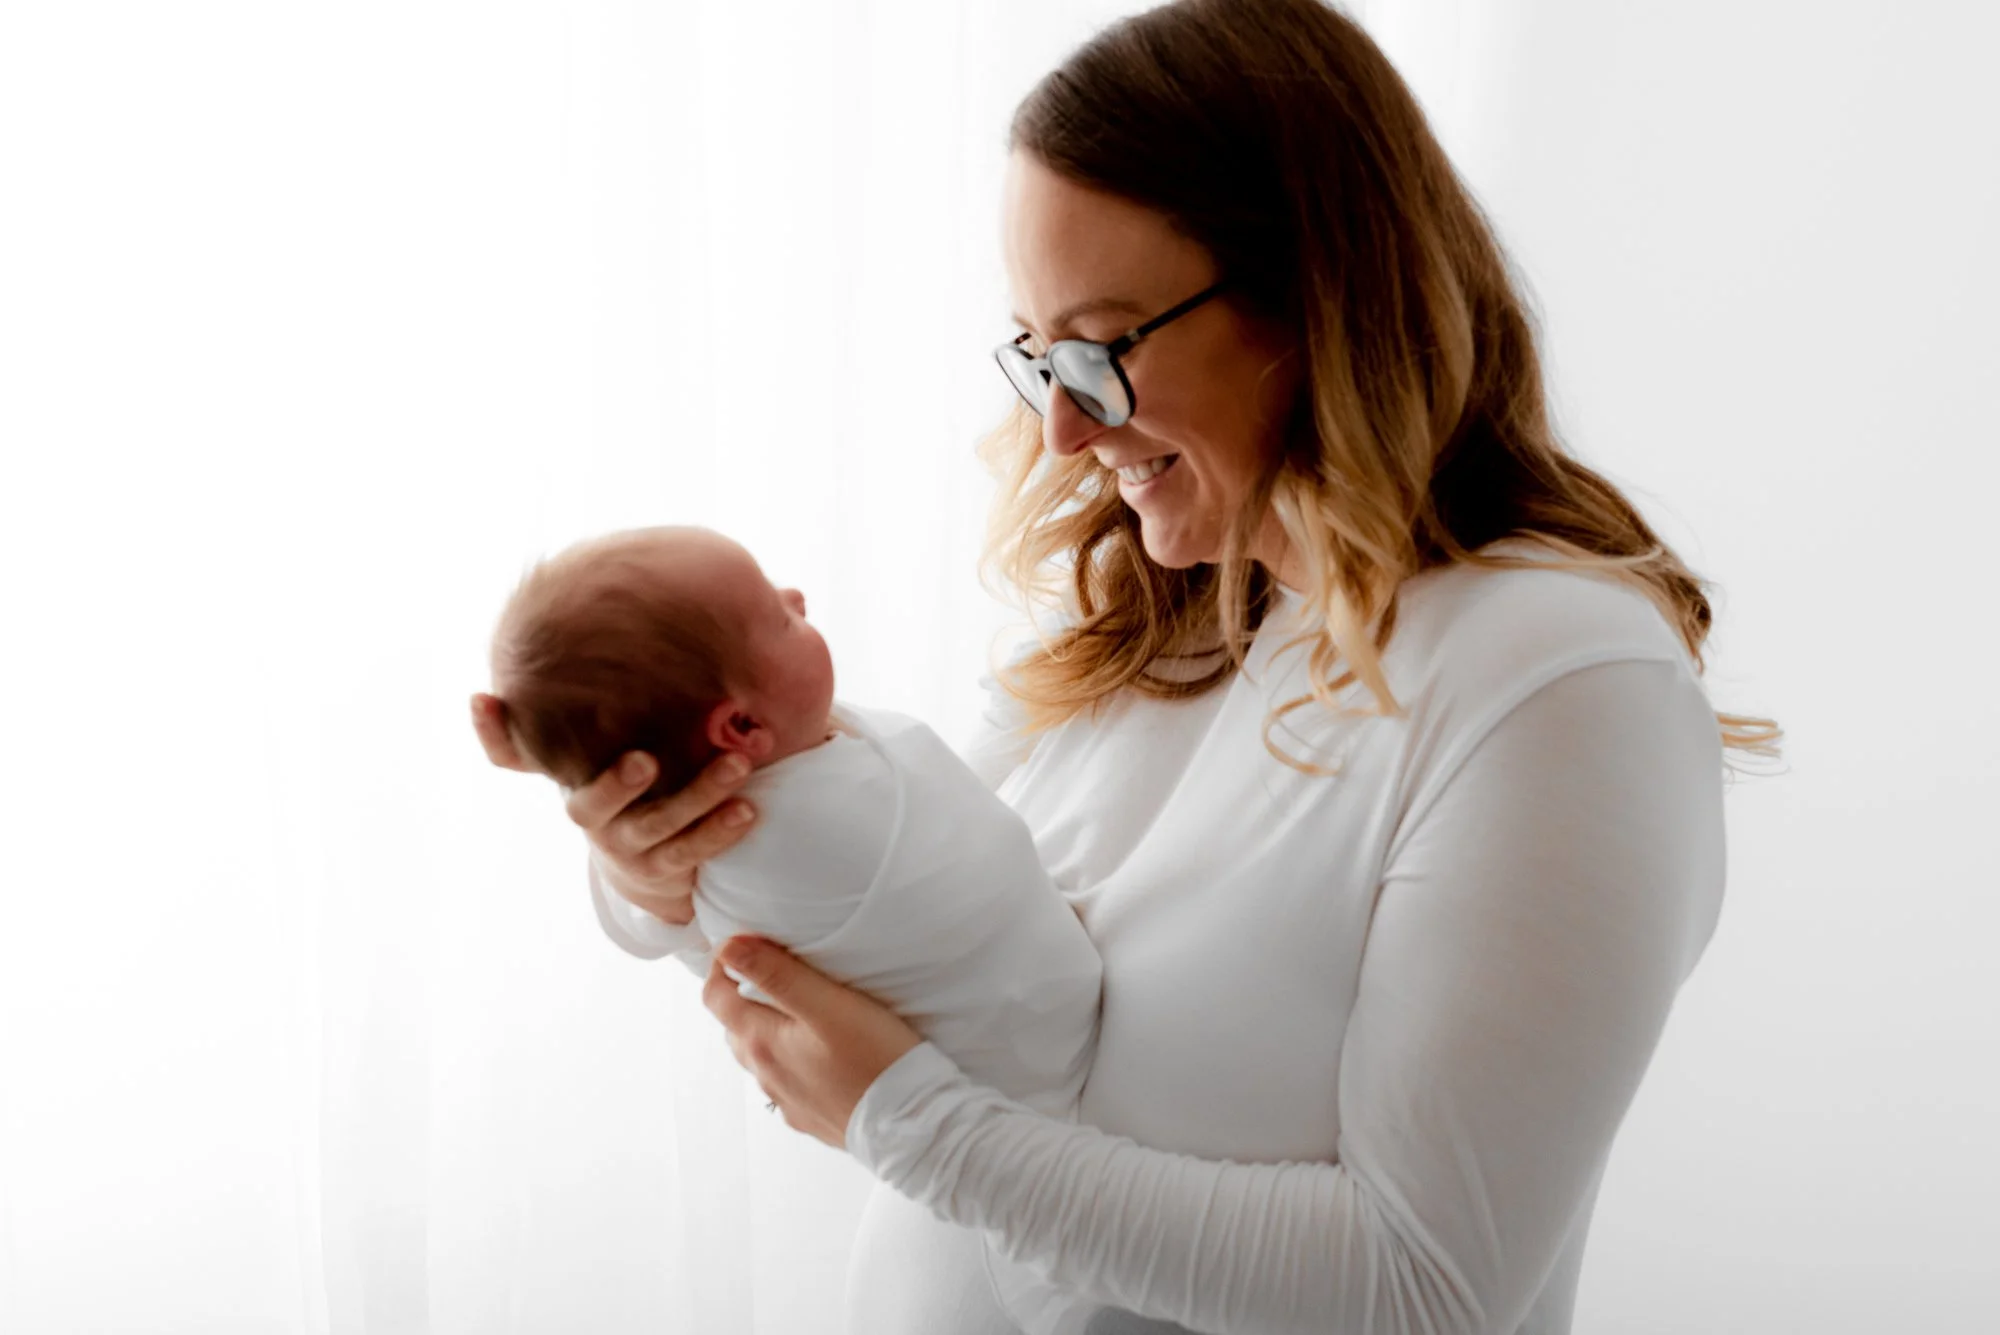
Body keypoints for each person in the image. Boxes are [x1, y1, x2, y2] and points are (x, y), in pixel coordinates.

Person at [472, 0, 1781, 1330]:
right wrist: (649, 863)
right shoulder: (1149, 630)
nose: (1057, 428)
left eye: (1098, 348)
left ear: (1318, 294)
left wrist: (902, 1118)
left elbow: (1424, 1285)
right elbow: (863, 876)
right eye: (1039, 354)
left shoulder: (1556, 682)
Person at [483, 524, 1100, 1116]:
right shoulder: (809, 827)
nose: (796, 597)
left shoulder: (763, 809)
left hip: (1018, 1079)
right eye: (779, 618)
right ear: (743, 728)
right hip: (1021, 1079)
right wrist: (648, 893)